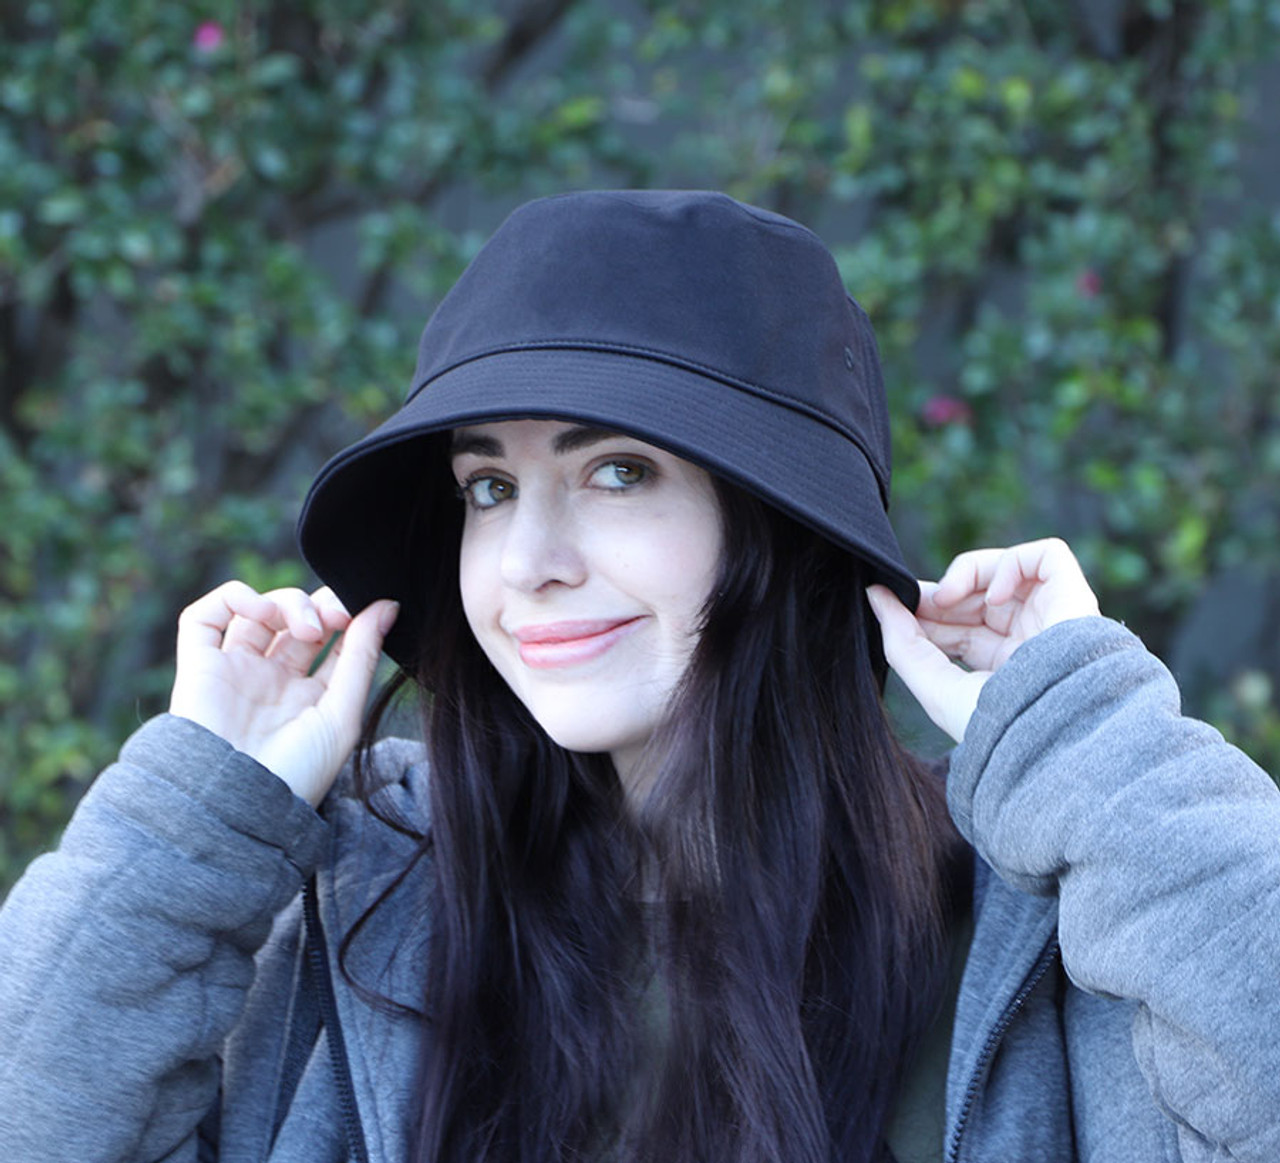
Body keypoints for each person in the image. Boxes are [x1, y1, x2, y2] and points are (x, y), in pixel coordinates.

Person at [1, 190, 1278, 1163]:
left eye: (617, 471)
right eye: (488, 487)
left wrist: (1083, 741)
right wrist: (195, 818)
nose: (529, 562)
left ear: (776, 527)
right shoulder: (374, 895)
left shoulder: (1028, 930)